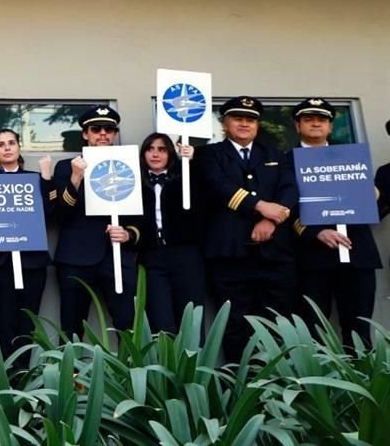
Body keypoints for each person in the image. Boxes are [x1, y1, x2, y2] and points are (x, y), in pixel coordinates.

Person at [195, 96, 297, 363]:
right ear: (224, 122)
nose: (244, 123)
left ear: (258, 124)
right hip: (229, 254)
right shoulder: (209, 154)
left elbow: (289, 189)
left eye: (250, 119)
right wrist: (261, 206)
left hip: (274, 254)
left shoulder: (275, 154)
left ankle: (276, 387)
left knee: (276, 322)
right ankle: (239, 390)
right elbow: (217, 186)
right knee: (235, 324)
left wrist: (271, 220)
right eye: (237, 118)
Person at [289, 98, 382, 347]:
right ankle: (317, 384)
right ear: (297, 126)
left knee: (359, 329)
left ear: (330, 126)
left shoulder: (351, 156)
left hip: (356, 251)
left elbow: (371, 200)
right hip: (312, 256)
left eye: (322, 119)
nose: (316, 124)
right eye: (308, 119)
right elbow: (286, 206)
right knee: (312, 328)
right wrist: (315, 232)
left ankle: (361, 382)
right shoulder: (285, 161)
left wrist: (371, 194)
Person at [50, 105, 142, 339]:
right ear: (85, 134)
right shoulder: (65, 167)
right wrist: (75, 178)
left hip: (116, 256)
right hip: (75, 257)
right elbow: (59, 214)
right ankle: (71, 377)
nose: (103, 134)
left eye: (109, 129)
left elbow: (142, 217)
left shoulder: (128, 165)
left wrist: (129, 234)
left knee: (127, 325)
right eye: (96, 129)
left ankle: (129, 376)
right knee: (71, 328)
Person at [0, 128, 53, 361]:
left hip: (32, 266)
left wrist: (46, 178)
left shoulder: (36, 179)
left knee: (28, 329)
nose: (7, 148)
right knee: (5, 328)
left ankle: (27, 386)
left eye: (11, 143)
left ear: (19, 148)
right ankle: (9, 387)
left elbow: (51, 213)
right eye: (1, 144)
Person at [137, 133, 205, 334]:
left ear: (170, 153)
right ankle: (165, 364)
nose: (155, 154)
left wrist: (192, 160)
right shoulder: (137, 183)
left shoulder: (185, 179)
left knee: (190, 317)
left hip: (186, 254)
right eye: (150, 149)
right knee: (160, 319)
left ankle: (194, 364)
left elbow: (205, 197)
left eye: (162, 149)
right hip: (152, 255)